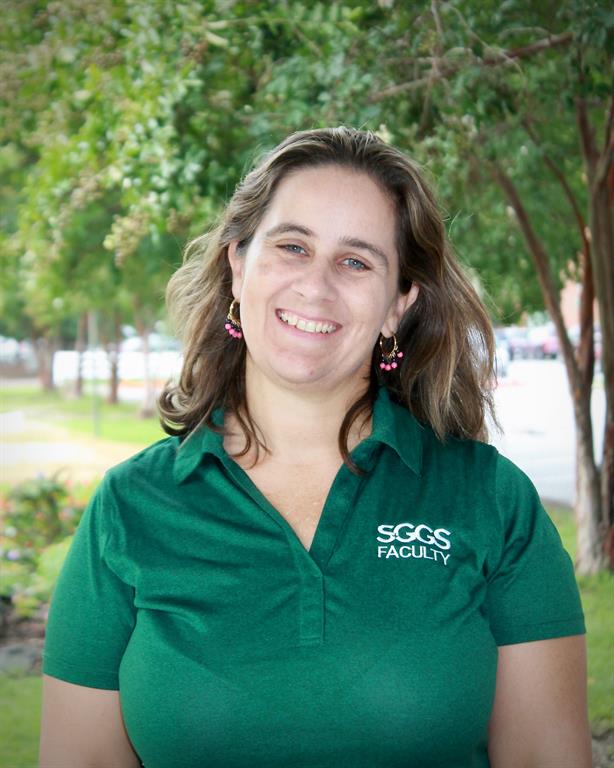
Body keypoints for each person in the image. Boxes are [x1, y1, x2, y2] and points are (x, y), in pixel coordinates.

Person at [39, 127, 591, 768]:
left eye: (357, 262)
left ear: (399, 305)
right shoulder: (129, 509)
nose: (316, 286)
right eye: (293, 247)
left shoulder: (492, 501)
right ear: (238, 265)